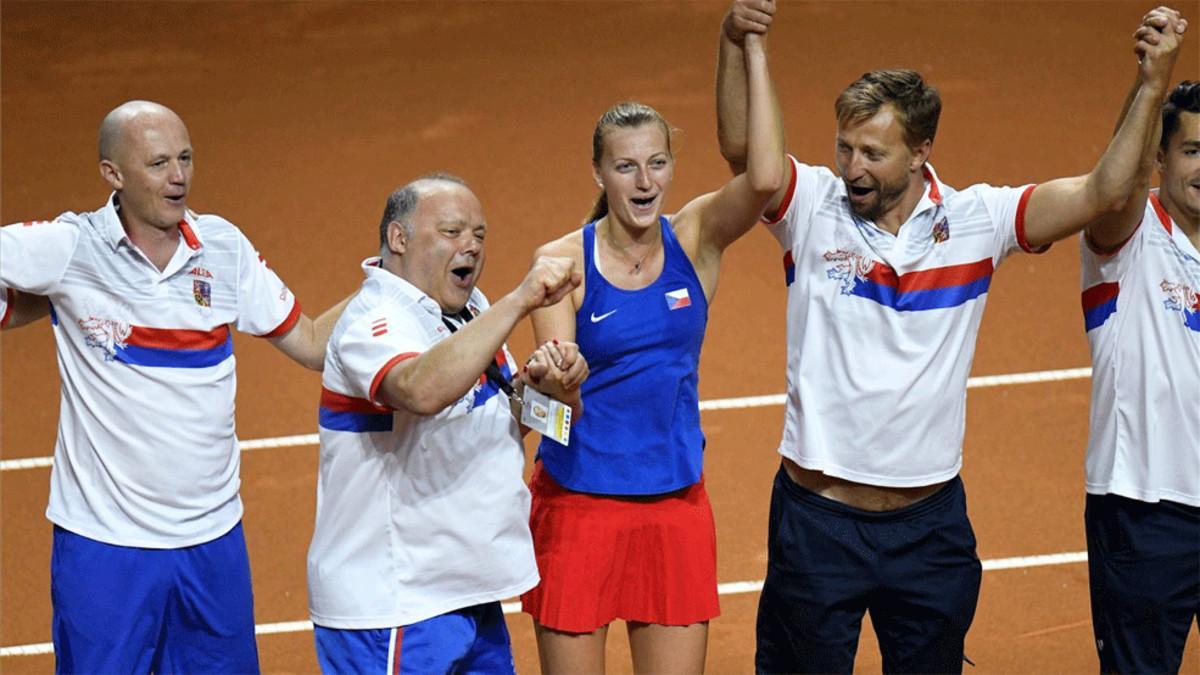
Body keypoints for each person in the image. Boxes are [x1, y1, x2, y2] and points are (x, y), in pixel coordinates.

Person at [716, 3, 1187, 672]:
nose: (852, 167)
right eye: (845, 147)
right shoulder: (812, 208)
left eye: (873, 153)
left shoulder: (979, 220)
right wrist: (735, 42)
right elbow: (745, 153)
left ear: (920, 152)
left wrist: (1150, 85)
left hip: (929, 530)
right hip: (818, 524)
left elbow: (1105, 191)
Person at [0, 100, 348, 673]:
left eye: (185, 158)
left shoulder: (223, 247)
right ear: (113, 174)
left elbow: (310, 342)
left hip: (212, 541)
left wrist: (391, 282)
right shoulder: (71, 247)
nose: (179, 176)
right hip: (106, 546)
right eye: (159, 163)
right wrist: (41, 300)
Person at [518, 5, 786, 672]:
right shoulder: (561, 263)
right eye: (627, 167)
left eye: (658, 163)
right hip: (579, 508)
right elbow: (549, 419)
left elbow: (764, 177)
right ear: (599, 175)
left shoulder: (694, 237)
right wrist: (558, 382)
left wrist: (748, 46)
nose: (645, 183)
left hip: (675, 507)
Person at [307, 174, 587, 674]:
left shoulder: (467, 310)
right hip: (395, 606)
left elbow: (500, 422)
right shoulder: (374, 320)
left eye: (479, 235)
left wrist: (554, 389)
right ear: (399, 238)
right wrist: (519, 302)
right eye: (454, 232)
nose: (472, 247)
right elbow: (420, 391)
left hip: (467, 591)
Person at [1079, 76, 1199, 674]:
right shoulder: (1127, 236)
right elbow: (1113, 188)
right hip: (1146, 512)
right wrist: (1151, 83)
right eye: (1193, 150)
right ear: (1160, 156)